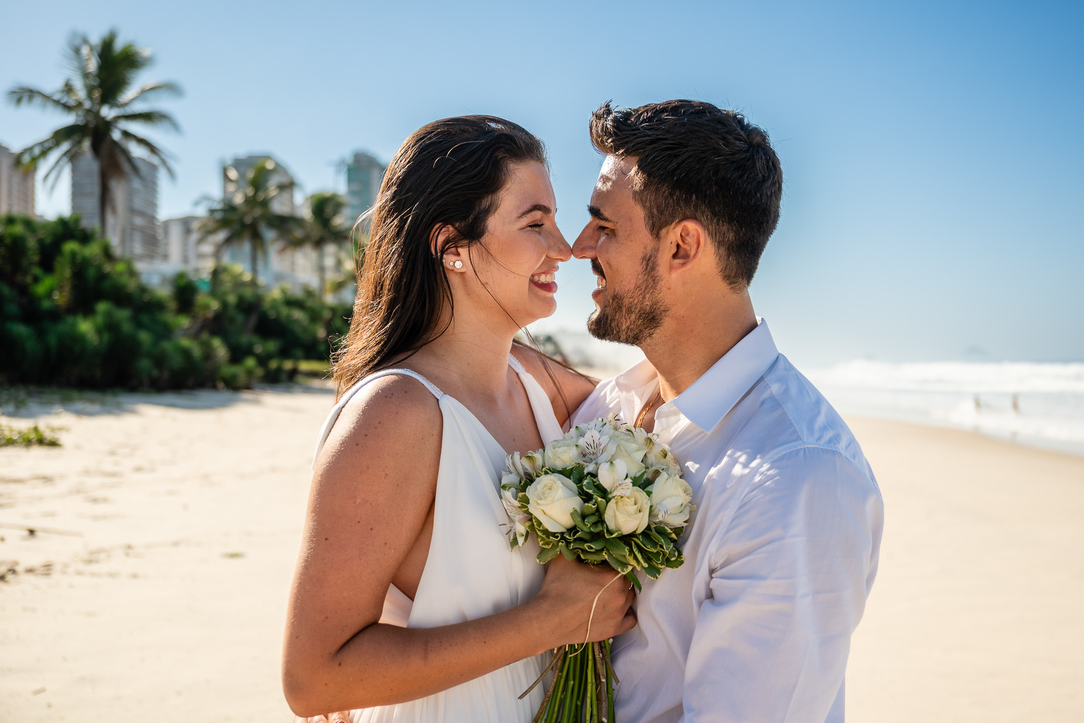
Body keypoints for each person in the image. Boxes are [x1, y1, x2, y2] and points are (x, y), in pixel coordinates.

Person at [282, 116, 635, 722]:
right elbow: (314, 679)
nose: (564, 247)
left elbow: (657, 397)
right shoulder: (393, 413)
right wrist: (550, 622)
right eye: (535, 224)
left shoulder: (539, 383)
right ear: (453, 248)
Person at [569, 100, 885, 722]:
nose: (580, 247)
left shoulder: (798, 477)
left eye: (604, 226)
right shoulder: (606, 407)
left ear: (683, 245)